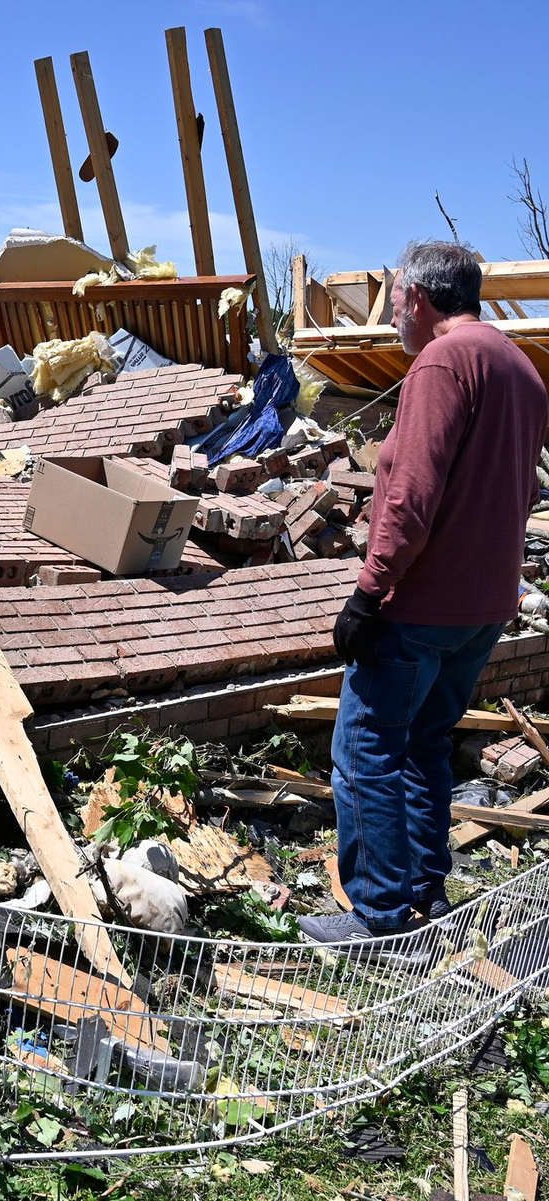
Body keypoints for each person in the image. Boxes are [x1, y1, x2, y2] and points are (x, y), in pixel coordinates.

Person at [297, 240, 548, 964]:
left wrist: (368, 592)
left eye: (398, 300)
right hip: (483, 606)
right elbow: (525, 492)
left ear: (418, 298)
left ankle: (381, 919)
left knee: (364, 748)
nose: (395, 317)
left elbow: (410, 494)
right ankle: (426, 895)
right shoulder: (522, 369)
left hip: (421, 604)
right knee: (424, 745)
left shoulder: (441, 363)